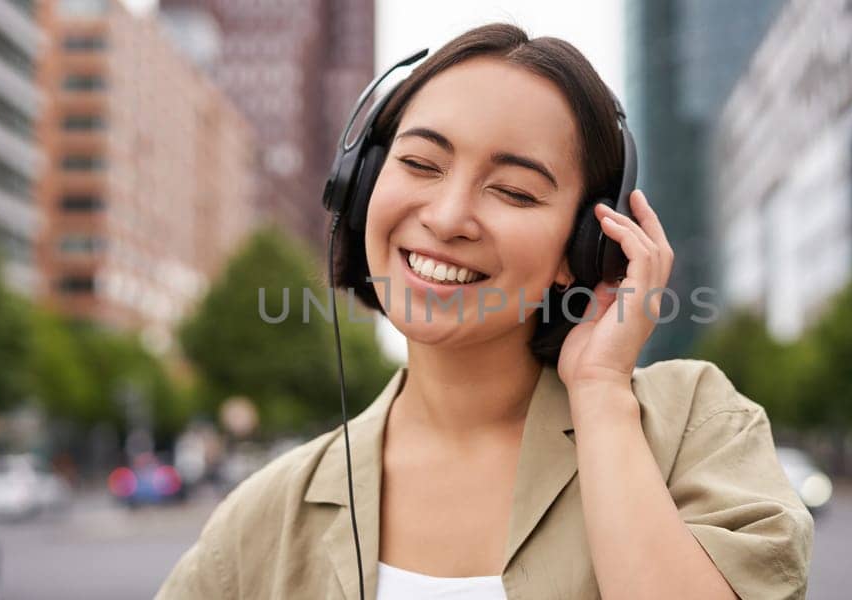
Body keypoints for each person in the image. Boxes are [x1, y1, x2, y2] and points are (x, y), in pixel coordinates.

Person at [157, 23, 812, 600]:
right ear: (361, 187)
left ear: (584, 246)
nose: (446, 217)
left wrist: (601, 393)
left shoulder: (693, 427)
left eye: (515, 191)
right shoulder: (269, 516)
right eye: (420, 163)